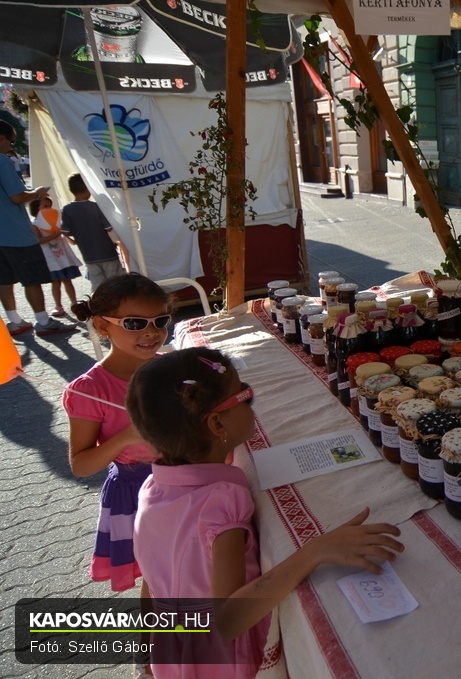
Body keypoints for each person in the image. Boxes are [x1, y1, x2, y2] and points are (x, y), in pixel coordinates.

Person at [127, 347, 403, 676]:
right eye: (245, 395)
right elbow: (227, 620)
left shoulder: (152, 489)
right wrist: (315, 551)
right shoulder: (221, 504)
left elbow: (152, 582)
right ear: (217, 423)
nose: (250, 401)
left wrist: (147, 651)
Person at [62, 273, 171, 591]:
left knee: (186, 563)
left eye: (160, 321)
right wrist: (127, 436)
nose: (151, 332)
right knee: (157, 576)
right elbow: (81, 465)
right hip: (136, 493)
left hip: (184, 480)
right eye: (135, 323)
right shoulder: (89, 390)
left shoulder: (171, 368)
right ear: (101, 326)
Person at [0, 120, 76, 336]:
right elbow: (17, 196)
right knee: (32, 279)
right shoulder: (2, 161)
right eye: (11, 141)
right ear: (1, 138)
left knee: (4, 280)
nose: (11, 146)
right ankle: (43, 321)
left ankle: (14, 321)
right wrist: (37, 193)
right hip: (16, 234)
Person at [60, 172, 130, 291]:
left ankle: (100, 302)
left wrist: (77, 234)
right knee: (115, 283)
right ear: (88, 188)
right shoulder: (96, 207)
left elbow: (65, 231)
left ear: (71, 190)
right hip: (107, 252)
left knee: (98, 285)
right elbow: (109, 228)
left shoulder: (67, 210)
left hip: (88, 255)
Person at [29, 196, 82, 317]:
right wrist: (57, 233)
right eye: (45, 206)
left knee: (67, 281)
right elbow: (40, 240)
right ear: (36, 208)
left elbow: (65, 234)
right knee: (56, 282)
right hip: (51, 259)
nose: (48, 209)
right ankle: (58, 305)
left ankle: (75, 303)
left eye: (50, 206)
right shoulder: (35, 224)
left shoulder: (57, 221)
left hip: (63, 256)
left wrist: (71, 239)